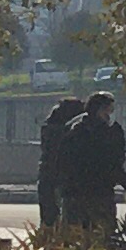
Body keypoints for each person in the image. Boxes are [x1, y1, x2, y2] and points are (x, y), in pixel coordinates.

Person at [70, 92, 126, 242]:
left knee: (84, 233)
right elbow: (112, 163)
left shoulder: (78, 129)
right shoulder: (107, 132)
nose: (109, 115)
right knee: (102, 230)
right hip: (94, 188)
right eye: (107, 110)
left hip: (86, 188)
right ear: (98, 110)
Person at [34, 95, 87, 235]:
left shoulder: (48, 128)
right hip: (65, 176)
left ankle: (48, 237)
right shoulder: (71, 131)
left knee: (48, 216)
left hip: (47, 174)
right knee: (69, 216)